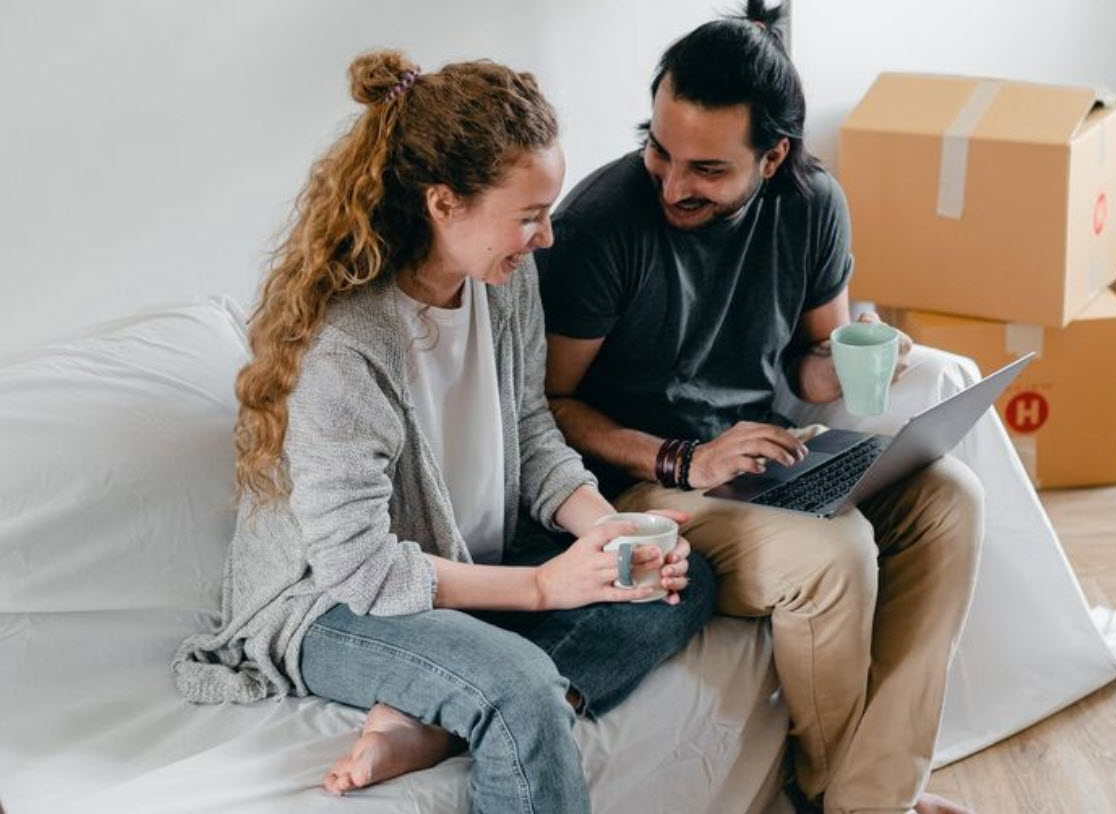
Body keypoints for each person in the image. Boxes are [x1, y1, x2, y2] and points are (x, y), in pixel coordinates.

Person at [172, 50, 715, 813]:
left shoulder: (504, 278)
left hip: (467, 562)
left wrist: (613, 530)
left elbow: (529, 428)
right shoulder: (346, 345)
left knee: (672, 582)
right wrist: (541, 586)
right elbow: (358, 571)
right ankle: (468, 700)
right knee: (520, 690)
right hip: (333, 608)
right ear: (443, 204)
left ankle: (431, 721)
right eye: (528, 216)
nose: (547, 238)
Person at [535, 4, 982, 813]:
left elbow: (810, 369)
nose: (672, 184)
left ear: (772, 155)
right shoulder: (601, 226)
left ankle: (866, 794)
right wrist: (685, 461)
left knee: (952, 500)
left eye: (705, 169)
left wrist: (859, 350)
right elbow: (549, 405)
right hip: (638, 488)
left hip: (762, 463)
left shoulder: (811, 206)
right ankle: (857, 803)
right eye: (658, 148)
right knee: (835, 554)